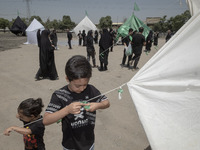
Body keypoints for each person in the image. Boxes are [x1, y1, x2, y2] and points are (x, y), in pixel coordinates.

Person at [43, 55, 110, 150]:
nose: (82, 88)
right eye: (77, 86)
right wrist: (67, 110)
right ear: (67, 79)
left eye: (85, 85)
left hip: (89, 143)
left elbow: (107, 103)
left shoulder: (91, 90)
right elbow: (46, 120)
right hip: (70, 145)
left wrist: (98, 105)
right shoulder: (60, 95)